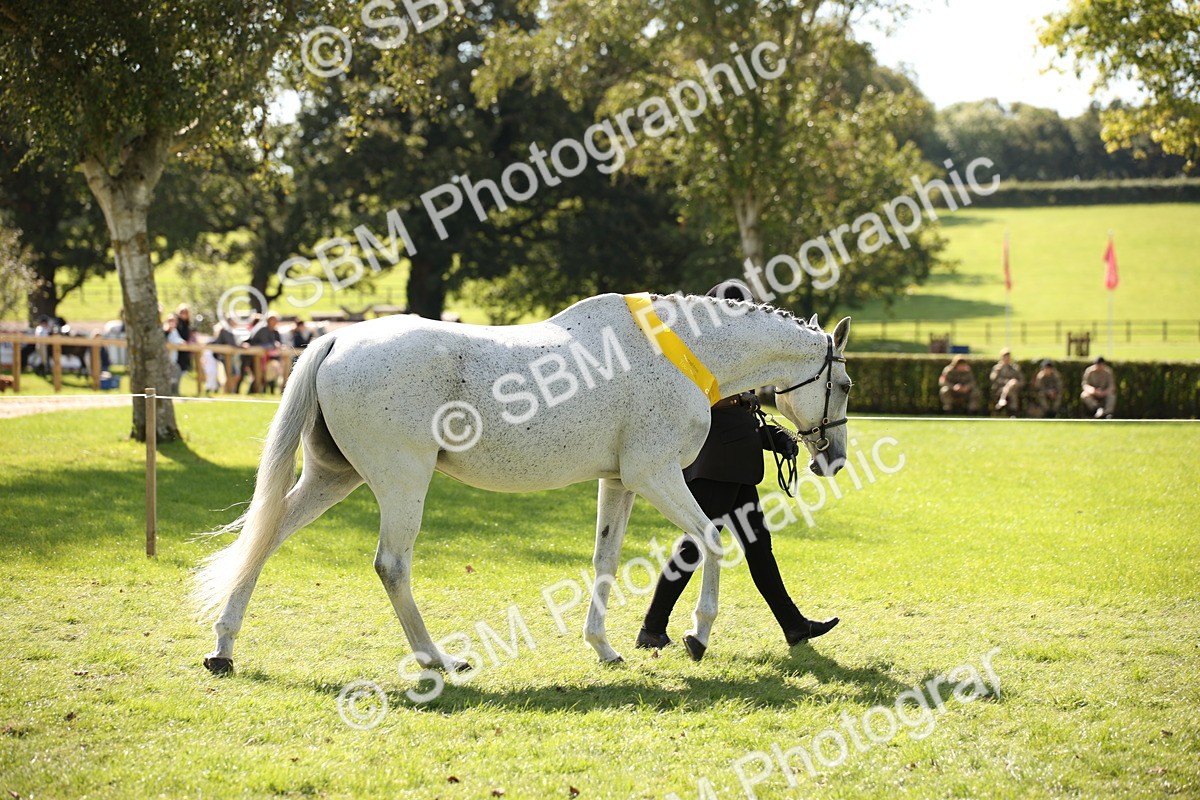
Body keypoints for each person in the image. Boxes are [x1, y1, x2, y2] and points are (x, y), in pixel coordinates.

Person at [636, 282, 839, 661]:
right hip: (718, 465)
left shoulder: (733, 357)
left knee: (758, 548)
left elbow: (739, 414)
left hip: (735, 466)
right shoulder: (704, 356)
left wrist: (772, 437)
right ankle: (652, 627)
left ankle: (793, 624)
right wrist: (760, 429)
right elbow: (718, 411)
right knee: (697, 544)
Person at [989, 348, 1025, 415]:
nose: (1006, 359)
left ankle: (1002, 399)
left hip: (1014, 388)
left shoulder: (1015, 368)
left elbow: (1022, 381)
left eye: (1008, 357)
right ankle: (1013, 414)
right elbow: (993, 379)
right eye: (1004, 357)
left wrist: (1014, 383)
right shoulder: (997, 368)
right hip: (999, 389)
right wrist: (1006, 381)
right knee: (1012, 392)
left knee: (1012, 385)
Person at [175, 304, 193, 374]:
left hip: (185, 352)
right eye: (182, 312)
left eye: (185, 312)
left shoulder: (188, 324)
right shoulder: (176, 323)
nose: (183, 314)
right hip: (177, 350)